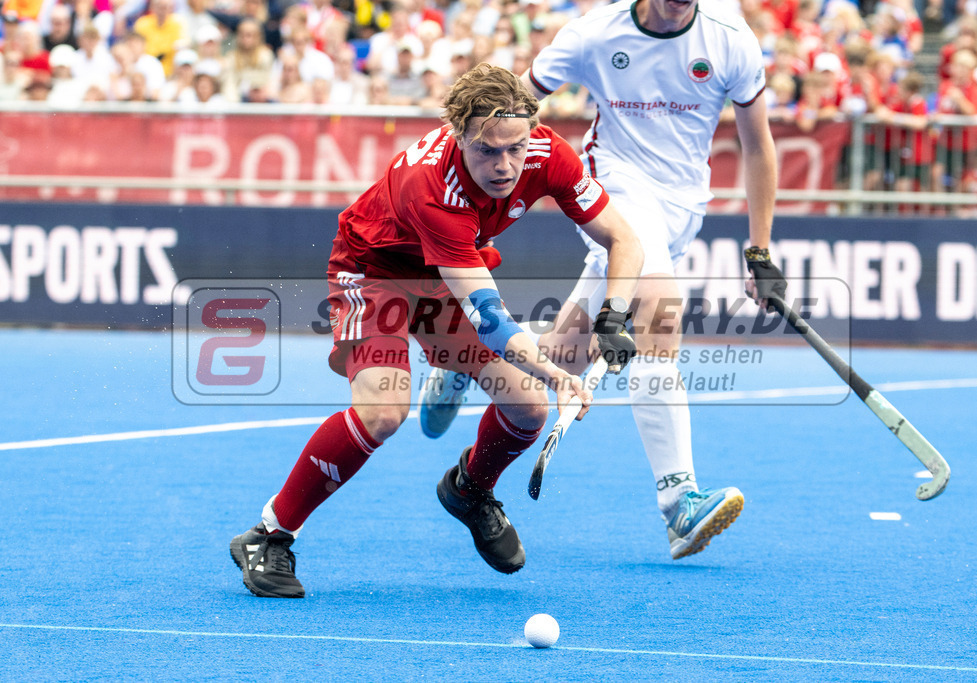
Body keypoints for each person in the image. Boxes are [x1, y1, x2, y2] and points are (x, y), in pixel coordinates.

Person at [229, 63, 643, 598]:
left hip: (447, 270)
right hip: (375, 270)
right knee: (383, 411)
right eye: (487, 151)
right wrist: (559, 375)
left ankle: (470, 488)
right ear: (458, 135)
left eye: (515, 148)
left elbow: (623, 239)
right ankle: (269, 535)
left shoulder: (548, 153)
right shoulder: (432, 189)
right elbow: (491, 321)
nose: (505, 166)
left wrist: (614, 315)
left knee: (528, 408)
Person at [419, 0, 787, 561]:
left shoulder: (730, 39)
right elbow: (510, 105)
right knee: (660, 311)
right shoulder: (595, 32)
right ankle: (679, 502)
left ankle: (467, 359)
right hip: (615, 188)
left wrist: (759, 248)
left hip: (683, 206)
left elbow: (758, 144)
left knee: (563, 357)